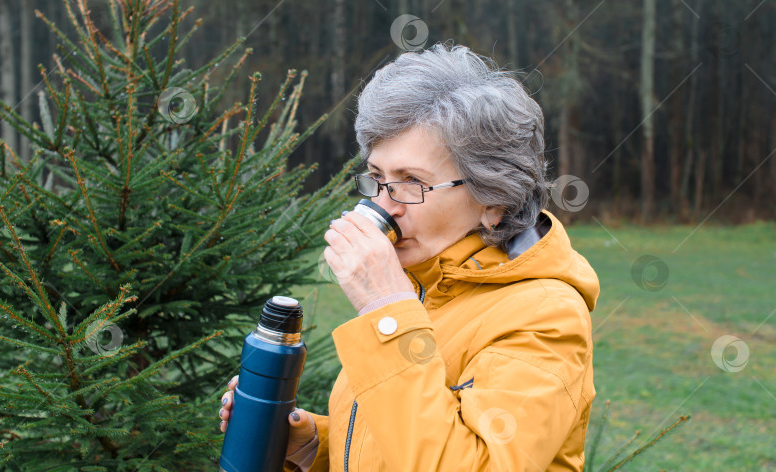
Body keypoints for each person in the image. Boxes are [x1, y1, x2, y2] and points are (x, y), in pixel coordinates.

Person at [218, 42, 600, 471]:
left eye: (411, 182)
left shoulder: (545, 316)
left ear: (493, 198)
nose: (383, 206)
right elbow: (404, 440)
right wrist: (313, 448)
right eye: (377, 177)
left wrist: (385, 310)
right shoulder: (421, 287)